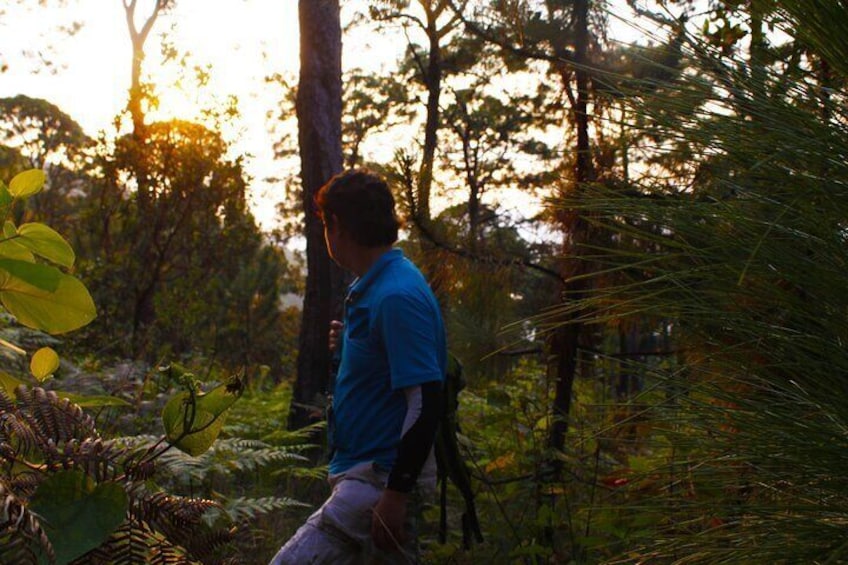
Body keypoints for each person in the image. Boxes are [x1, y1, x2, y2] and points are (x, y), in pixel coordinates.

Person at [270, 169, 446, 564]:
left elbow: (426, 400)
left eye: (324, 224)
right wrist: (351, 345)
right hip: (368, 475)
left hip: (379, 479)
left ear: (337, 226)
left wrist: (396, 495)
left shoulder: (396, 295)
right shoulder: (378, 284)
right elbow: (389, 366)